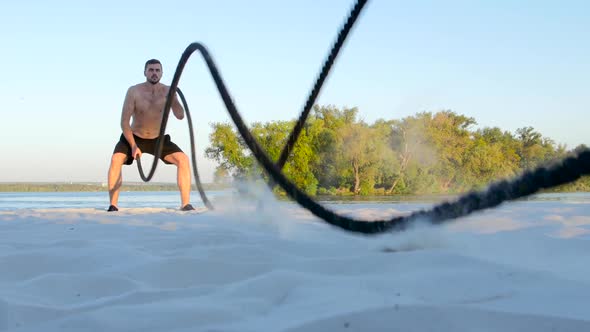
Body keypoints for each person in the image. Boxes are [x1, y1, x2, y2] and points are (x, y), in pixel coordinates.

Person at [106, 59, 194, 212]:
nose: (154, 73)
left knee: (183, 160)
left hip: (158, 139)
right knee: (116, 159)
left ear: (161, 73)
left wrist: (174, 97)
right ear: (145, 72)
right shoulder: (134, 91)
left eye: (157, 70)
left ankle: (185, 204)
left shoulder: (168, 91)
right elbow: (124, 122)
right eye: (151, 70)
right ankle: (113, 205)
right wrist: (133, 145)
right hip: (134, 137)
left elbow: (180, 115)